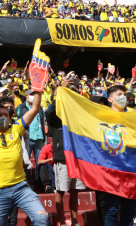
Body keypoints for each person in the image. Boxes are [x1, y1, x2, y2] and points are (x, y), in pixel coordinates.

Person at [0, 84, 48, 225]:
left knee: (42, 218)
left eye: (6, 114)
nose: (3, 117)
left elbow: (35, 108)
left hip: (21, 187)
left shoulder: (17, 128)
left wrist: (38, 88)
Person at [47, 78, 87, 226]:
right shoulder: (54, 116)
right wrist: (59, 93)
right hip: (62, 157)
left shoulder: (76, 116)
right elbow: (51, 114)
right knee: (61, 191)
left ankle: (75, 222)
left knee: (75, 191)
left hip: (77, 158)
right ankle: (62, 222)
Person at [102, 85, 136, 226]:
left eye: (125, 94)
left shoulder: (133, 116)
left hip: (131, 170)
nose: (123, 97)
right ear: (110, 99)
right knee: (111, 211)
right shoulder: (102, 116)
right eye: (119, 94)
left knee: (129, 212)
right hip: (111, 171)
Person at [17, 89, 46, 164]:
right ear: (27, 96)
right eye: (32, 95)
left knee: (41, 162)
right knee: (25, 162)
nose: (34, 97)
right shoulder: (20, 108)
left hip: (39, 138)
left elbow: (43, 121)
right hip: (27, 138)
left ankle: (40, 176)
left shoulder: (39, 108)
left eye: (35, 95)